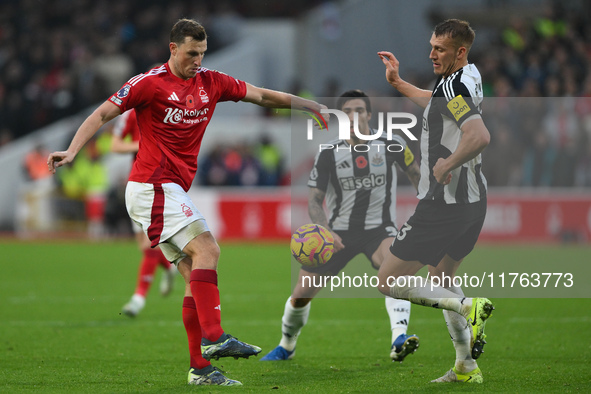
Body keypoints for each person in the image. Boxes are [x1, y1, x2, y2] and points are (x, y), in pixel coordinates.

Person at [47, 18, 327, 387]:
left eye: (203, 53)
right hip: (152, 185)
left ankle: (201, 369)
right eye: (192, 53)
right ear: (173, 48)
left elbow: (260, 95)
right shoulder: (149, 83)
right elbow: (102, 113)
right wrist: (72, 151)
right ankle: (215, 337)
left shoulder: (212, 82)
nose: (198, 60)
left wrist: (308, 105)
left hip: (170, 188)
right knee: (208, 249)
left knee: (192, 276)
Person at [261, 90, 422, 363]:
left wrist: (431, 204)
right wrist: (325, 231)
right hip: (337, 233)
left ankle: (398, 339)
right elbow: (314, 201)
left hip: (379, 229)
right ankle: (286, 345)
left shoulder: (392, 143)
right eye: (347, 111)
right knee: (301, 295)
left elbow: (417, 176)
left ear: (369, 115)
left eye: (359, 110)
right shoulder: (328, 153)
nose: (353, 116)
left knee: (394, 273)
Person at [377, 19, 494, 383]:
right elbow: (438, 103)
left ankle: (466, 306)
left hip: (444, 203)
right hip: (474, 200)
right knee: (441, 275)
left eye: (439, 49)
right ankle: (465, 367)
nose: (431, 54)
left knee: (388, 280)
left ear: (460, 51)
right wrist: (398, 84)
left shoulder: (455, 86)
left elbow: (479, 135)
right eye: (431, 46)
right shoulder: (467, 76)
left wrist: (448, 161)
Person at [111, 108, 177, 317]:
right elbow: (115, 145)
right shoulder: (130, 113)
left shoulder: (171, 108)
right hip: (137, 183)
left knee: (149, 246)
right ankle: (169, 267)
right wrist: (142, 145)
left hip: (162, 182)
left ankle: (138, 299)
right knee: (144, 245)